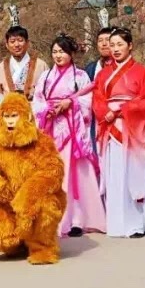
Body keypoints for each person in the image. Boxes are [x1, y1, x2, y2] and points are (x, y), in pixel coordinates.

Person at [31, 33, 106, 236]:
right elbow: (36, 102)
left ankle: (77, 219)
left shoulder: (80, 76)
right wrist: (48, 108)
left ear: (71, 53)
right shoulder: (45, 77)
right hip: (50, 129)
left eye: (62, 51)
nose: (58, 55)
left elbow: (87, 102)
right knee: (52, 173)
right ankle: (52, 217)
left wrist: (70, 103)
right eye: (54, 52)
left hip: (72, 132)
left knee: (74, 174)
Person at [92, 28, 145, 238]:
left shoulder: (141, 72)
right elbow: (97, 99)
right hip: (112, 128)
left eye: (119, 44)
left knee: (137, 171)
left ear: (130, 45)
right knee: (117, 175)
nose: (115, 49)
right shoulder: (103, 74)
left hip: (134, 127)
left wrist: (123, 110)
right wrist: (105, 113)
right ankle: (121, 224)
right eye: (112, 45)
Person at [0, 17, 48, 105]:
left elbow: (49, 91)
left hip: (34, 113)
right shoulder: (1, 67)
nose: (16, 45)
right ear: (7, 45)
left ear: (27, 43)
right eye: (12, 41)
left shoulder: (41, 65)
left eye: (20, 40)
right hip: (9, 114)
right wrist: (7, 103)